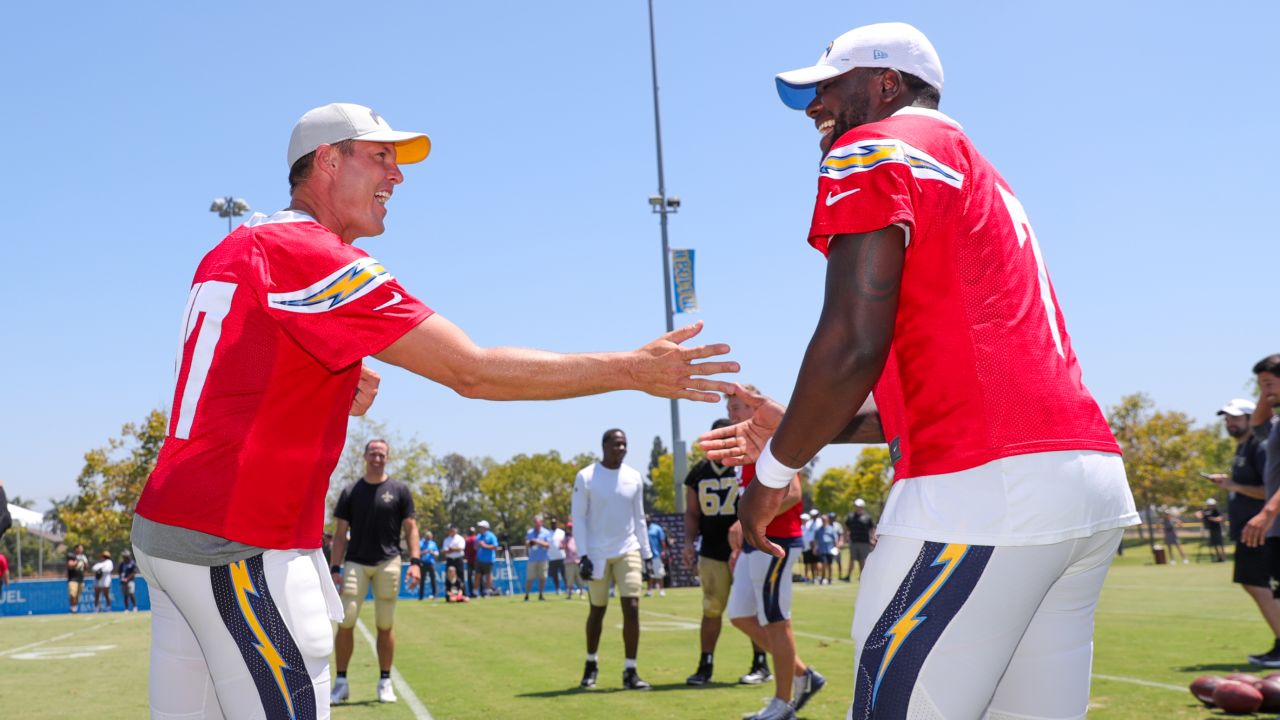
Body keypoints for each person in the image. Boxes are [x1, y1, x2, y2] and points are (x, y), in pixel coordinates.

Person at [128, 101, 734, 719]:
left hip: (168, 530)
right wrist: (631, 369)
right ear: (328, 163)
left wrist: (327, 380)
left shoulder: (240, 242)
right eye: (381, 157)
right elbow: (470, 370)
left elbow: (239, 373)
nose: (397, 176)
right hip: (235, 542)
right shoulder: (311, 254)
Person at [701, 23, 1139, 717]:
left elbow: (851, 342)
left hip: (984, 491)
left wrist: (771, 477)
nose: (815, 108)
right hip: (1079, 480)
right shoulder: (978, 170)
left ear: (886, 84)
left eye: (828, 88)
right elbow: (944, 386)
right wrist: (806, 432)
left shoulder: (875, 145)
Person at [726, 460, 824, 720]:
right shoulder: (749, 448)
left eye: (735, 413)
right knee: (739, 613)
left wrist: (750, 519)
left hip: (776, 541)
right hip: (755, 542)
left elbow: (793, 493)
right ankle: (803, 674)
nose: (731, 416)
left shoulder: (771, 441)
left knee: (776, 621)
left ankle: (784, 703)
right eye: (729, 413)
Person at [682, 415, 772, 687]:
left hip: (745, 548)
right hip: (711, 548)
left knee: (751, 608)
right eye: (718, 438)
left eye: (727, 437)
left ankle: (761, 663)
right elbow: (692, 512)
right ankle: (705, 664)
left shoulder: (746, 466)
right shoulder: (698, 472)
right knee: (712, 608)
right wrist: (688, 542)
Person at [330, 438, 420, 704]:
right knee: (346, 620)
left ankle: (384, 680)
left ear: (387, 457)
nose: (377, 458)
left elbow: (411, 528)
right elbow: (339, 534)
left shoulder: (399, 490)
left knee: (384, 623)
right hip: (357, 560)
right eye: (373, 453)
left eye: (381, 454)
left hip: (388, 560)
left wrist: (415, 562)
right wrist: (335, 567)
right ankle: (342, 681)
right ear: (365, 456)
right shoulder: (350, 491)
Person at [572, 429, 653, 690]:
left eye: (625, 444)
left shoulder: (634, 477)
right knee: (598, 609)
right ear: (604, 445)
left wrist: (647, 554)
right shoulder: (586, 476)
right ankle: (591, 663)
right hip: (596, 553)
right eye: (617, 444)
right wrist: (582, 554)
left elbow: (640, 518)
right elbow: (579, 518)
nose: (622, 448)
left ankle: (631, 670)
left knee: (632, 606)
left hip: (627, 549)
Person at [1241, 355, 1280, 666]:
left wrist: (1268, 511)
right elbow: (1256, 425)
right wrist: (1268, 391)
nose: (1264, 392)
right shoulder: (1276, 425)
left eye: (1269, 383)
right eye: (1259, 386)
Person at [843, 499, 876, 581]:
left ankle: (862, 577)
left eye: (859, 506)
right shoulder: (851, 517)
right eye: (856, 506)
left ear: (862, 507)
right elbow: (847, 529)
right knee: (852, 559)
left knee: (862, 560)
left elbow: (872, 529)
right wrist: (845, 538)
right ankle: (848, 576)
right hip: (854, 541)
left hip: (864, 542)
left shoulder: (867, 517)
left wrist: (873, 538)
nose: (857, 507)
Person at [525, 514, 552, 601]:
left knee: (542, 577)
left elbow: (548, 545)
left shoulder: (546, 532)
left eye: (538, 523)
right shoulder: (530, 532)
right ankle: (527, 595)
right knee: (530, 578)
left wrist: (537, 541)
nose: (536, 524)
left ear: (541, 523)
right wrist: (530, 543)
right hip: (532, 558)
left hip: (543, 558)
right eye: (535, 522)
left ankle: (541, 594)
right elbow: (527, 544)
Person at [644, 514, 669, 597]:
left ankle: (661, 590)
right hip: (646, 555)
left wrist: (664, 552)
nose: (646, 521)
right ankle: (649, 591)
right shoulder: (642, 529)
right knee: (649, 574)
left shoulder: (657, 528)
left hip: (656, 554)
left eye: (647, 519)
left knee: (659, 573)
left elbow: (662, 541)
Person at [475, 521, 499, 598]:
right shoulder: (478, 536)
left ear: (485, 528)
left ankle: (487, 591)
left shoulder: (491, 536)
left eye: (481, 527)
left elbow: (495, 547)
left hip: (488, 560)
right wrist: (478, 545)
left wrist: (484, 546)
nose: (480, 529)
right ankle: (475, 592)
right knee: (477, 575)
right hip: (479, 559)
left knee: (488, 576)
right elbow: (475, 547)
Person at [442, 525, 467, 597]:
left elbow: (461, 548)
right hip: (450, 559)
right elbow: (445, 550)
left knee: (460, 576)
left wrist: (452, 549)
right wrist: (454, 549)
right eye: (450, 530)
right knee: (449, 576)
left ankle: (462, 594)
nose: (452, 532)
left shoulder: (460, 538)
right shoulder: (447, 539)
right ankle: (449, 594)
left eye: (453, 530)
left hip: (458, 559)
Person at [813, 514, 839, 584]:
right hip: (822, 550)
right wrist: (814, 548)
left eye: (824, 519)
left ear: (827, 520)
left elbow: (835, 539)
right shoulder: (818, 530)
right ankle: (822, 578)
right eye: (822, 519)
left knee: (830, 564)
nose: (823, 521)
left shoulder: (831, 529)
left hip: (830, 549)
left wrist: (836, 547)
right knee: (823, 564)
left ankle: (829, 578)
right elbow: (815, 540)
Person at [547, 518, 567, 596]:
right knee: (554, 575)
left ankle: (567, 588)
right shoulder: (548, 533)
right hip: (552, 557)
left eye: (554, 523)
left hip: (561, 556)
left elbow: (565, 542)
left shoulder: (561, 532)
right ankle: (557, 589)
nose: (553, 524)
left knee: (564, 574)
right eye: (552, 523)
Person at [563, 522, 584, 599]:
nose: (570, 529)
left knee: (580, 578)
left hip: (578, 561)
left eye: (571, 528)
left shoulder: (578, 537)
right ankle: (569, 594)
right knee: (570, 579)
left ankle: (581, 593)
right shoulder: (565, 538)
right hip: (569, 561)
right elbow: (562, 547)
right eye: (569, 528)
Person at [418, 529, 439, 600]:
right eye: (427, 537)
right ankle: (421, 596)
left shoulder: (433, 544)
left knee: (433, 580)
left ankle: (435, 595)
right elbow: (417, 553)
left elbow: (437, 554)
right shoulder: (420, 543)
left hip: (431, 563)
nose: (429, 538)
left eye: (430, 537)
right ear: (425, 537)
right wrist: (425, 552)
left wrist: (432, 553)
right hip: (423, 563)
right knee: (422, 580)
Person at [66, 543, 87, 613]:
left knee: (77, 596)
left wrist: (85, 562)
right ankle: (73, 608)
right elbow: (70, 565)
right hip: (73, 579)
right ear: (76, 549)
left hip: (81, 579)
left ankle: (74, 608)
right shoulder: (72, 556)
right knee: (73, 594)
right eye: (81, 548)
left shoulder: (83, 556)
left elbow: (86, 567)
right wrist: (77, 560)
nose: (82, 549)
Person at [464, 526, 479, 597]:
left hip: (469, 560)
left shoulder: (467, 540)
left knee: (470, 577)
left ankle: (471, 592)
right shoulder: (476, 539)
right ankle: (479, 591)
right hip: (476, 560)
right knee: (478, 576)